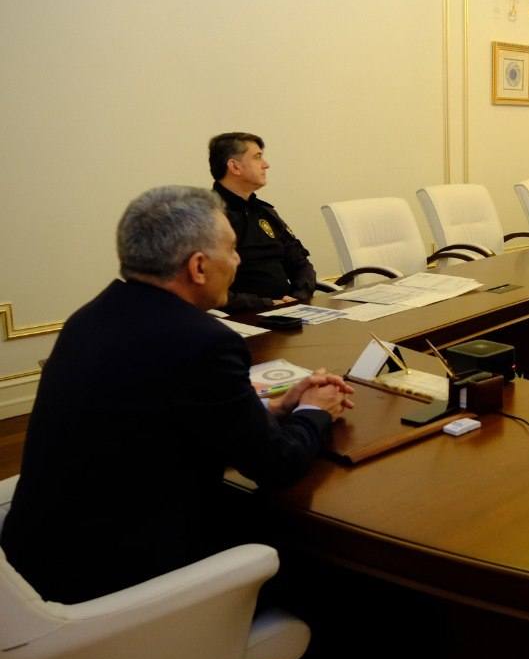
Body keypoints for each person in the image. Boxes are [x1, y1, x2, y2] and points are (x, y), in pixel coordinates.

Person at [1, 186, 354, 603]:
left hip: (39, 561)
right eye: (232, 250)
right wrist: (314, 411)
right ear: (198, 267)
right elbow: (277, 465)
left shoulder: (90, 317)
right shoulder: (204, 342)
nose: (238, 261)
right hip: (119, 585)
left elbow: (164, 418)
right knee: (330, 567)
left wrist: (274, 408)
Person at [210, 132, 317, 311]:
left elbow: (300, 263)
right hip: (242, 317)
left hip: (288, 310)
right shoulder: (209, 217)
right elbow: (208, 290)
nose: (266, 165)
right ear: (234, 167)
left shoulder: (264, 212)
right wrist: (266, 304)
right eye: (257, 157)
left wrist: (299, 296)